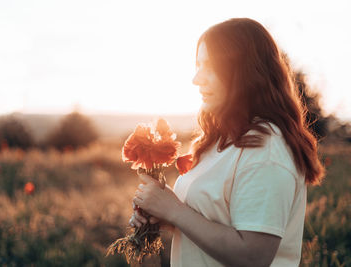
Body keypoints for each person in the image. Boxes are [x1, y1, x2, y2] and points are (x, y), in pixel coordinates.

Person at [130, 17, 325, 267]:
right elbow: (213, 220)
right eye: (197, 65)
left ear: (243, 71)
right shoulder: (222, 140)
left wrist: (174, 211)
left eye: (209, 66)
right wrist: (159, 215)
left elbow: (253, 256)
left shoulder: (267, 148)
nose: (196, 79)